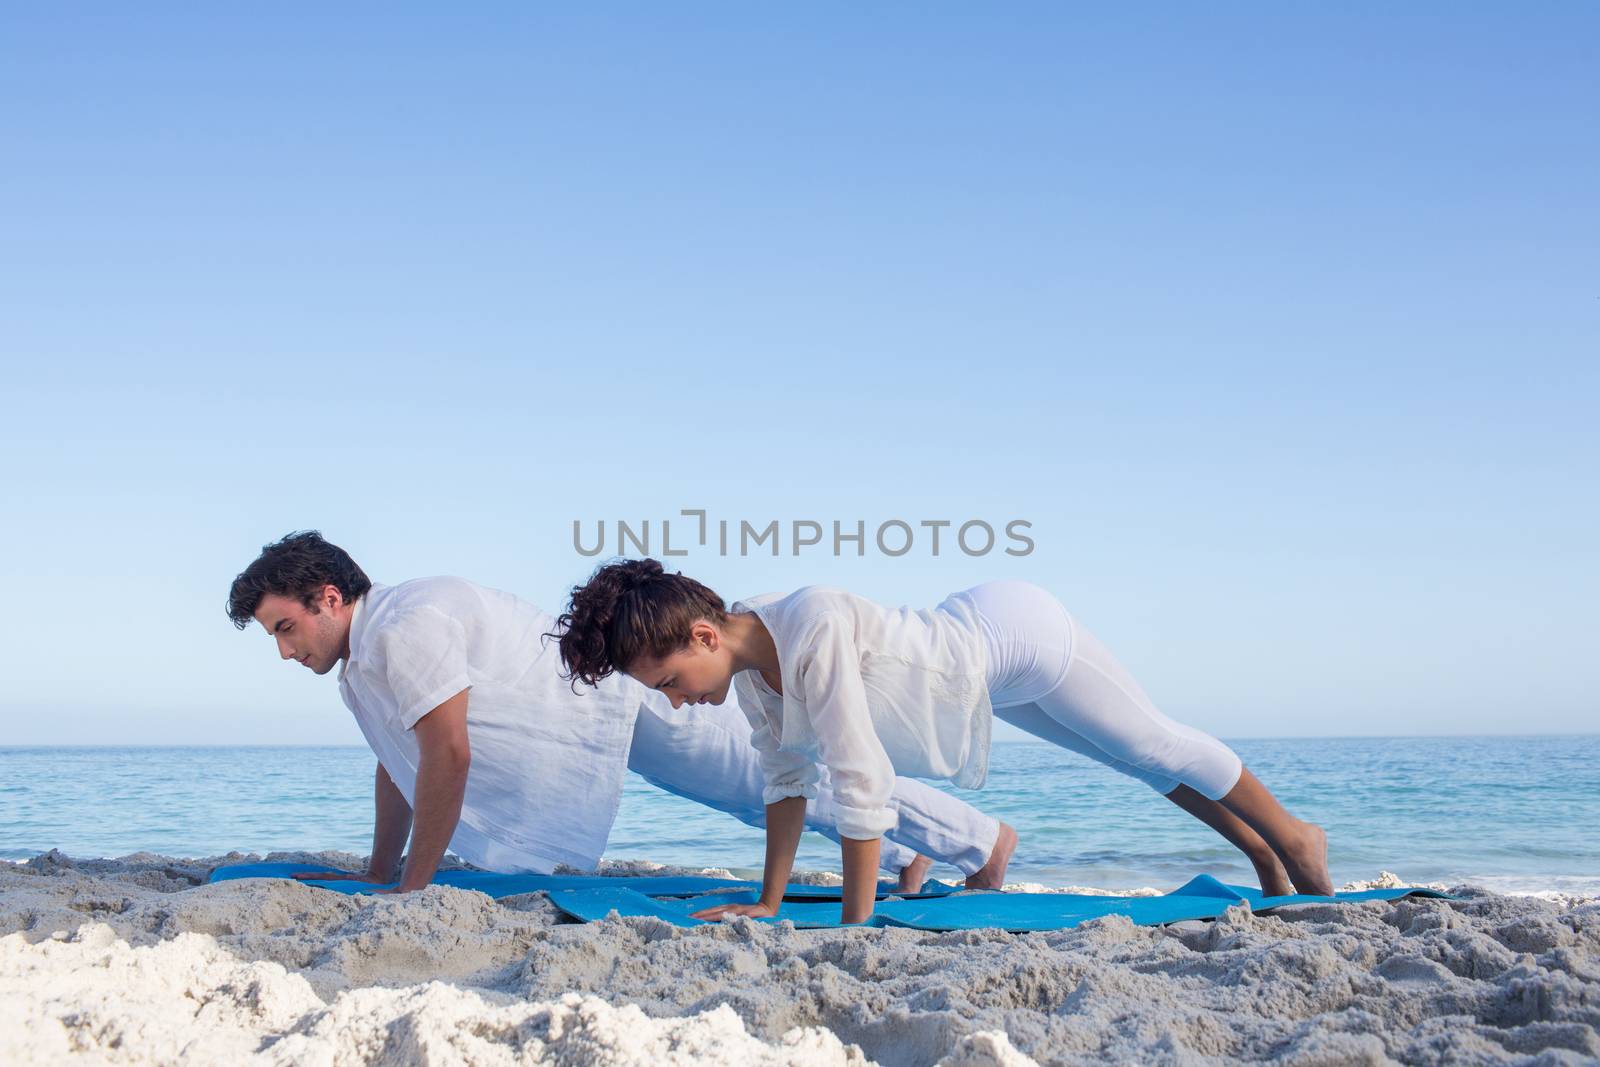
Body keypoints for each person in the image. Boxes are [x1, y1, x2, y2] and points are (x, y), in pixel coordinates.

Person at [551, 558, 1333, 924]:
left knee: (1155, 742)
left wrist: (857, 933)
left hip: (1013, 637)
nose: (679, 704)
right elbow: (786, 778)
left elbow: (861, 784)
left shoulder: (809, 625)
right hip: (977, 675)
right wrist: (767, 899)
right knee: (1133, 760)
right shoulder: (750, 666)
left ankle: (1295, 836)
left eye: (669, 683)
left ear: (700, 634)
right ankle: (1260, 853)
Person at [225, 532, 1016, 893]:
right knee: (763, 786)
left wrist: (412, 889)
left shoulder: (405, 624)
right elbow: (400, 763)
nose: (285, 650)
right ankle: (933, 840)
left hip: (614, 702)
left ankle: (978, 838)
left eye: (286, 627)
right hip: (583, 710)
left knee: (766, 777)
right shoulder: (365, 660)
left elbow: (448, 753)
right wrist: (379, 870)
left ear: (330, 596)